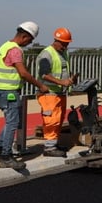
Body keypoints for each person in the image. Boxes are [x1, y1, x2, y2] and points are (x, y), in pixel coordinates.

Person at [0, 22, 50, 169]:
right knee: (13, 123)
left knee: (11, 120)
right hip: (8, 91)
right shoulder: (15, 50)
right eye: (30, 40)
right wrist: (40, 85)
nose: (30, 43)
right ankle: (6, 157)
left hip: (0, 90)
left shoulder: (5, 46)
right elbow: (23, 73)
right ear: (24, 36)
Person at [36, 27, 77, 157]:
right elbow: (44, 74)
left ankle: (54, 143)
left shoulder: (64, 53)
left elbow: (63, 69)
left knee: (58, 119)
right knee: (51, 120)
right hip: (48, 93)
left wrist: (70, 79)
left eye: (67, 43)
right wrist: (62, 82)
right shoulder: (46, 54)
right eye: (64, 43)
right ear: (56, 41)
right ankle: (49, 147)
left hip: (59, 93)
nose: (65, 46)